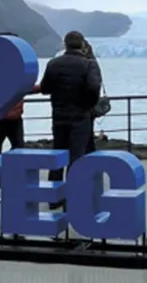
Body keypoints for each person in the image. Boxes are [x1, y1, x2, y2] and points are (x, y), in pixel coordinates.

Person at [39, 31, 103, 208]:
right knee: (77, 156)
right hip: (80, 117)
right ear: (82, 44)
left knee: (57, 154)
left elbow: (45, 88)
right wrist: (87, 105)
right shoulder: (88, 64)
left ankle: (54, 197)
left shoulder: (54, 63)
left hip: (59, 115)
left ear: (64, 44)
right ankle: (74, 197)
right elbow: (94, 87)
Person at [0, 31, 41, 204]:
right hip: (10, 117)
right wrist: (42, 87)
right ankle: (19, 188)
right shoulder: (14, 65)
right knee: (17, 151)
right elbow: (21, 86)